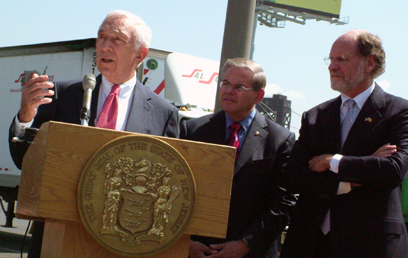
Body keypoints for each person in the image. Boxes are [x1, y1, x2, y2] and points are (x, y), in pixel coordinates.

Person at [8, 10, 178, 258]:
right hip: (59, 237)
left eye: (116, 40)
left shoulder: (163, 113)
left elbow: (169, 179)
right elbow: (24, 161)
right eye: (101, 37)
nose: (105, 47)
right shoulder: (63, 94)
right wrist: (25, 117)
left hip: (122, 241)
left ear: (140, 54)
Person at [280, 29, 408, 258]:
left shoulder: (398, 112)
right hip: (309, 244)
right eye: (331, 59)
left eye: (342, 59)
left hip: (369, 246)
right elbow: (293, 176)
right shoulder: (315, 116)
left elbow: (392, 171)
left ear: (370, 63)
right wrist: (350, 181)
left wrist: (333, 161)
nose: (332, 67)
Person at [180, 58, 296, 258]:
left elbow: (283, 203)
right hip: (198, 251)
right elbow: (176, 189)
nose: (228, 91)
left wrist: (245, 244)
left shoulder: (279, 140)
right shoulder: (193, 130)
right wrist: (186, 242)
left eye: (239, 87)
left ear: (258, 95)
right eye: (225, 83)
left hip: (251, 252)